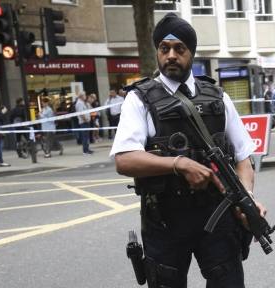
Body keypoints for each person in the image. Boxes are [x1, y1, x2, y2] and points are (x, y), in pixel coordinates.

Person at [111, 13, 267, 288]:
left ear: (191, 53)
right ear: (158, 52)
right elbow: (125, 159)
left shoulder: (218, 97)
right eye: (164, 48)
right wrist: (179, 163)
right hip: (165, 221)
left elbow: (243, 158)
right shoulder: (139, 99)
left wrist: (248, 197)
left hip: (217, 215)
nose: (171, 55)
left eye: (179, 48)